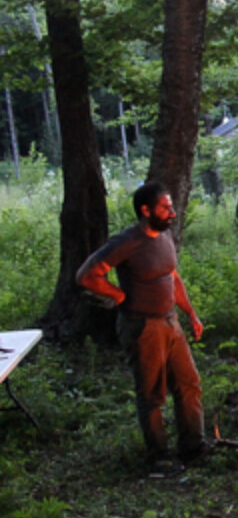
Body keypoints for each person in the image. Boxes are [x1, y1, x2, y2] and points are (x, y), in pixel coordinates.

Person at [77, 182, 207, 471]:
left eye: (171, 206)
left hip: (170, 321)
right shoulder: (127, 242)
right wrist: (117, 295)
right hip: (142, 326)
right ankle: (159, 456)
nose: (172, 213)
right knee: (152, 394)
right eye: (165, 207)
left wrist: (191, 315)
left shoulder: (165, 236)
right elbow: (86, 276)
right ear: (145, 210)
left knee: (189, 383)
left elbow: (173, 278)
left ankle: (193, 446)